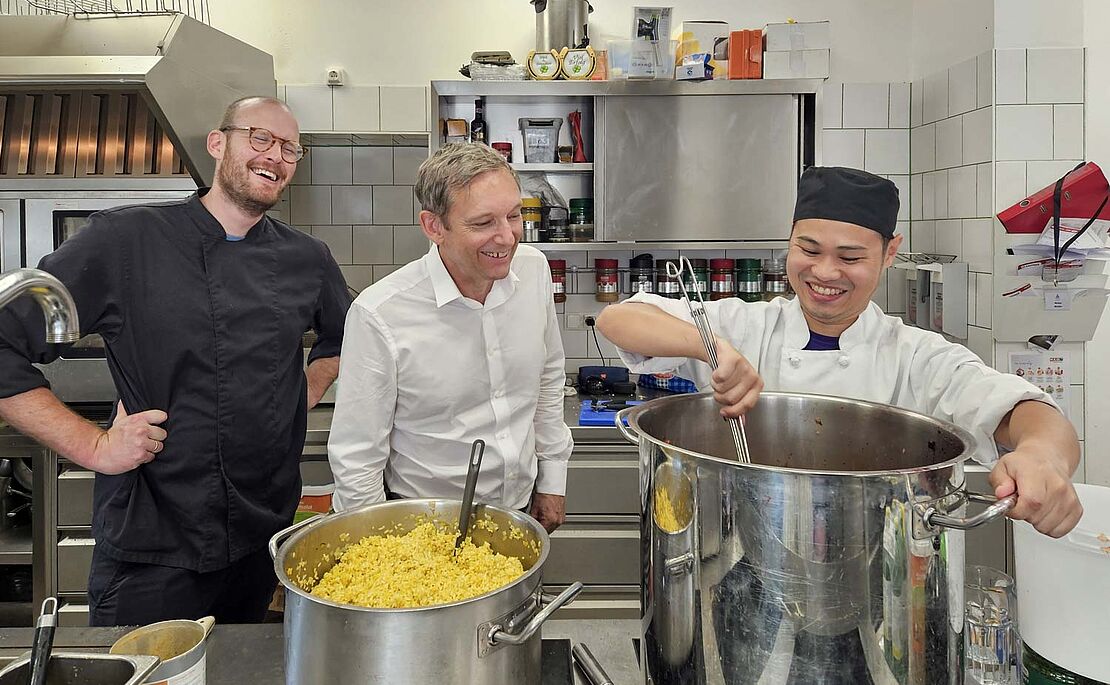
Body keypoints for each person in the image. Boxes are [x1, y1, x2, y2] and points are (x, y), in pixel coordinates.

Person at [0, 96, 353, 625]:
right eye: (260, 138)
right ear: (218, 143)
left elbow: (345, 335)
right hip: (154, 543)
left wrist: (302, 393)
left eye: (289, 148)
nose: (275, 156)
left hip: (261, 537)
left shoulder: (306, 258)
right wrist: (94, 445)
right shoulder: (123, 241)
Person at [597, 166, 1082, 538]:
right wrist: (709, 347)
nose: (825, 272)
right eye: (808, 250)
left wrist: (1043, 457)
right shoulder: (743, 324)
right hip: (736, 552)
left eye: (850, 258)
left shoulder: (914, 355)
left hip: (872, 572)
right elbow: (617, 320)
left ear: (890, 253)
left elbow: (1030, 411)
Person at [327, 143, 573, 532]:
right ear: (434, 226)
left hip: (519, 509)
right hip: (421, 526)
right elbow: (357, 457)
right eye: (483, 223)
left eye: (513, 216)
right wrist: (379, 552)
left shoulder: (534, 270)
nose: (507, 237)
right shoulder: (381, 313)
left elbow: (547, 378)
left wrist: (552, 480)